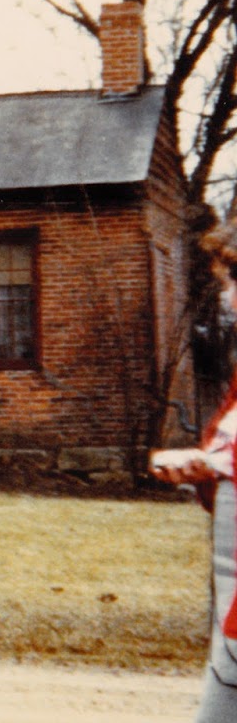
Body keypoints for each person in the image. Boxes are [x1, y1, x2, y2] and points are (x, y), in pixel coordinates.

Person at [151, 234, 237, 722]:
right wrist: (205, 472)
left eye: (232, 283)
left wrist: (221, 465)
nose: (226, 298)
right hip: (230, 596)